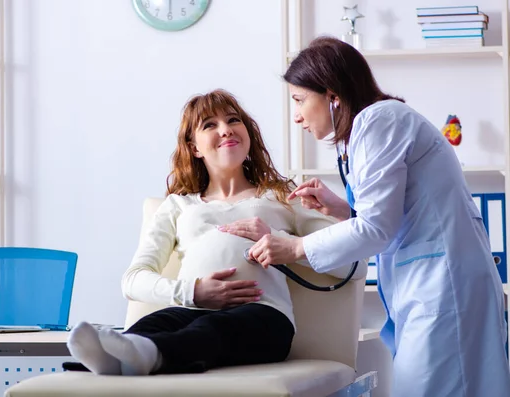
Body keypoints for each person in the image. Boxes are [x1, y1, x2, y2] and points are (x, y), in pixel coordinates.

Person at [241, 36, 510, 396]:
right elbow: (395, 212)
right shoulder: (372, 127)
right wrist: (341, 209)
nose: (297, 115)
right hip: (433, 281)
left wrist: (295, 247)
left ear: (332, 94)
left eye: (300, 100)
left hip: (443, 286)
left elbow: (376, 229)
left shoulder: (378, 121)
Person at [66, 88, 362, 376]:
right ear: (194, 147)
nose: (226, 129)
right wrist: (193, 292)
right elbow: (132, 280)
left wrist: (280, 242)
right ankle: (120, 358)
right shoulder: (178, 206)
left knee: (209, 330)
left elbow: (351, 265)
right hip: (190, 310)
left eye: (234, 120)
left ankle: (146, 355)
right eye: (210, 125)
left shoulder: (285, 196)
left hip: (264, 317)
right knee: (151, 326)